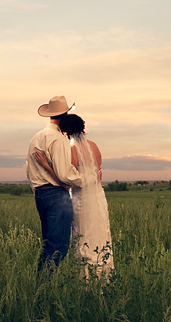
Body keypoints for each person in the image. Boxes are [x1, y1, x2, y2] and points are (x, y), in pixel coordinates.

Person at [34, 113, 114, 281]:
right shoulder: (95, 147)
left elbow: (67, 184)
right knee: (99, 233)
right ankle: (103, 275)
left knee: (83, 235)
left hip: (82, 199)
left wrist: (46, 166)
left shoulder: (71, 150)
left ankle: (86, 279)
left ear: (65, 132)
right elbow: (96, 175)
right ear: (83, 127)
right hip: (98, 197)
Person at [25, 95, 83, 273]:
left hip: (40, 195)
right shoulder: (58, 139)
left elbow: (29, 171)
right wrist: (86, 179)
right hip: (57, 195)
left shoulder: (36, 137)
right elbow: (65, 174)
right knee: (59, 246)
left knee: (48, 245)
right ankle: (45, 287)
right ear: (65, 114)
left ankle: (41, 285)